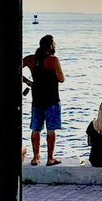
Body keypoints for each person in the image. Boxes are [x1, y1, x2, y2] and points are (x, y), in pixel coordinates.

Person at [22, 34, 65, 166]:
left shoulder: (30, 59)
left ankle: (35, 157)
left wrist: (28, 82)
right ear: (51, 46)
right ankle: (50, 158)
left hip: (37, 99)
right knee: (51, 130)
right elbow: (61, 78)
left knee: (36, 129)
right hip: (52, 99)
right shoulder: (53, 60)